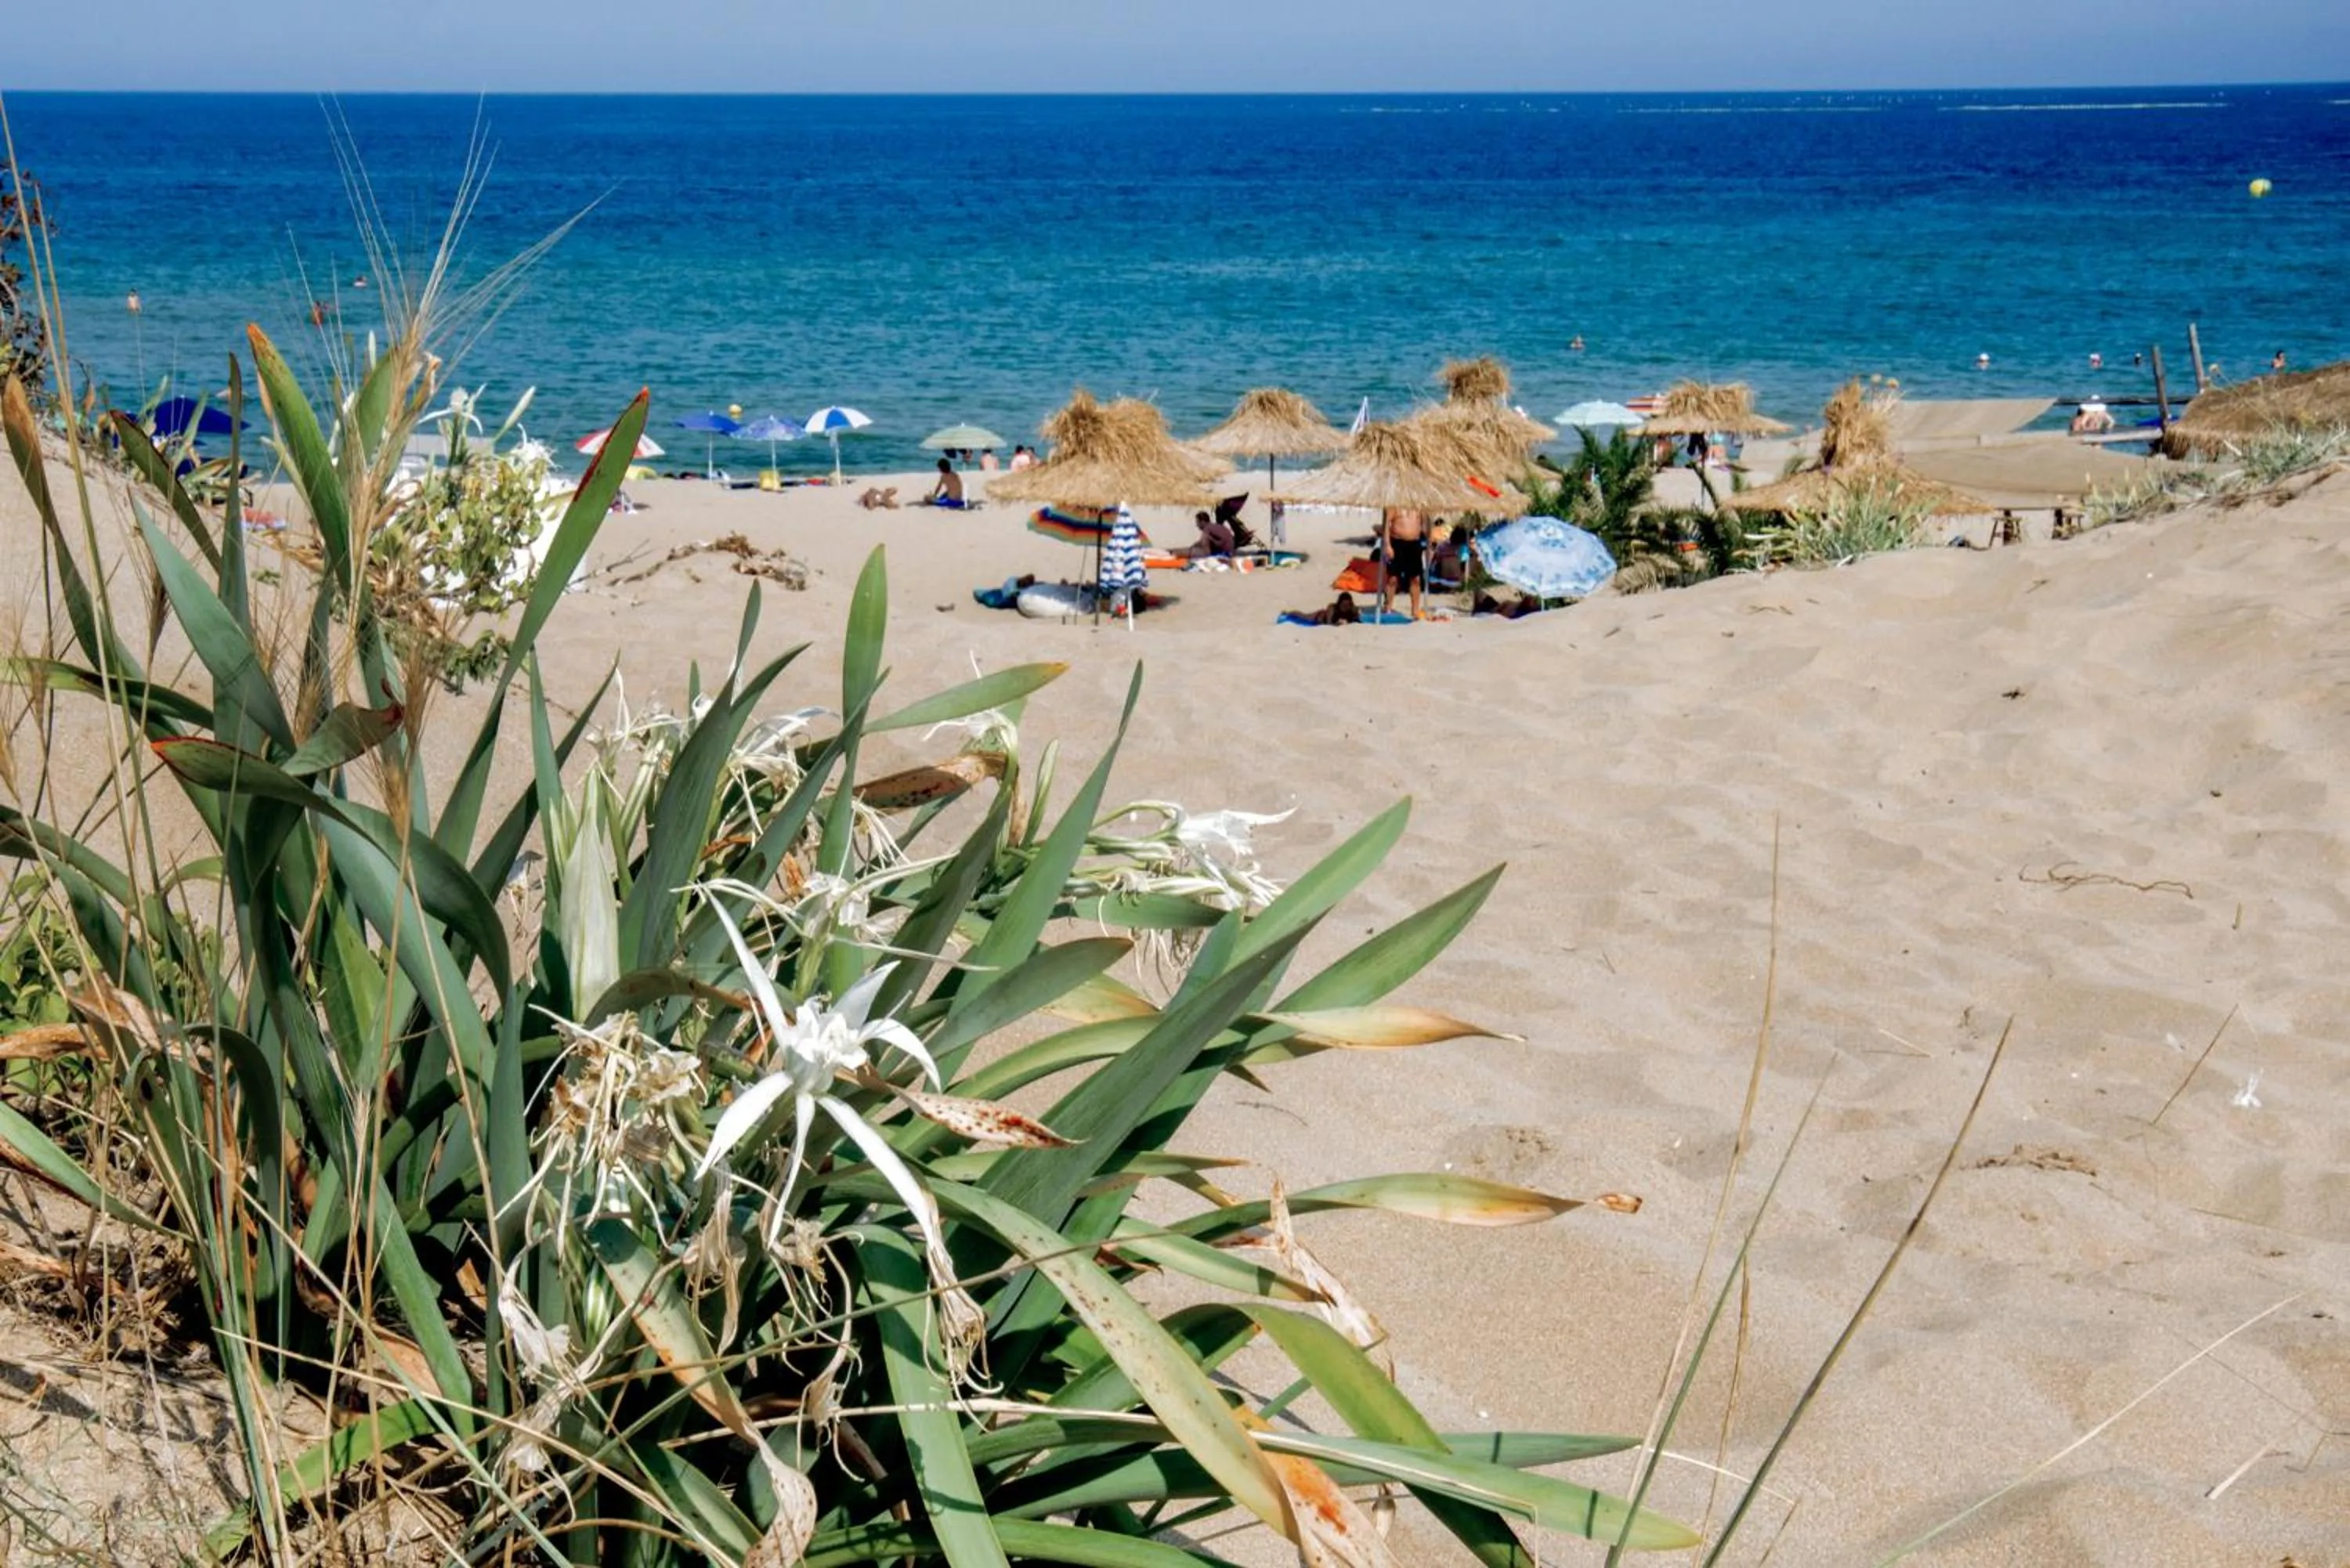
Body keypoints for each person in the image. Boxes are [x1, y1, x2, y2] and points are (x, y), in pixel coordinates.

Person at [1380, 508, 1427, 620]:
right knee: (1393, 578)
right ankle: (1388, 607)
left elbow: (1424, 525)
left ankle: (1415, 610)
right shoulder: (1396, 504)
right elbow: (1386, 525)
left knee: (1415, 579)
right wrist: (1387, 545)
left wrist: (1429, 537)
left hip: (1414, 543)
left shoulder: (1419, 505)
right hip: (1397, 542)